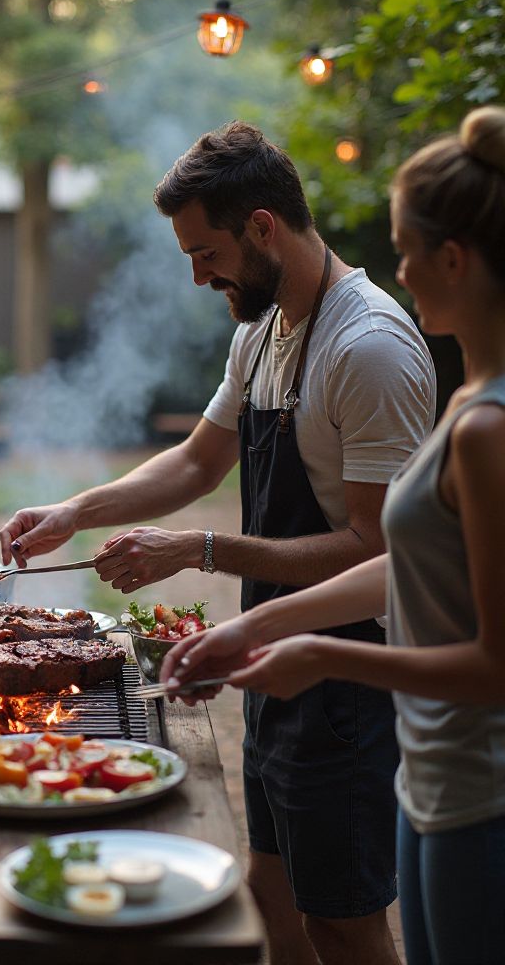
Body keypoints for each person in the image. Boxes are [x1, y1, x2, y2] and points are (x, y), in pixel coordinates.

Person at [0, 121, 436, 964]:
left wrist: (201, 550)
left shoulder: (367, 346)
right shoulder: (262, 331)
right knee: (270, 892)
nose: (199, 276)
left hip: (348, 675)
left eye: (206, 253)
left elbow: (379, 551)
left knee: (344, 921)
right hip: (274, 652)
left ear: (262, 227)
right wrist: (74, 511)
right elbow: (200, 459)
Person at [163, 106, 505, 965]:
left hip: (448, 763)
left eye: (407, 248)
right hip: (422, 760)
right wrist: (255, 626)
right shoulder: (466, 403)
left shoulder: (408, 370)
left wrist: (321, 652)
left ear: (456, 259)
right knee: (274, 893)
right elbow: (410, 564)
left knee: (349, 926)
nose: (397, 268)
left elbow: (475, 644)